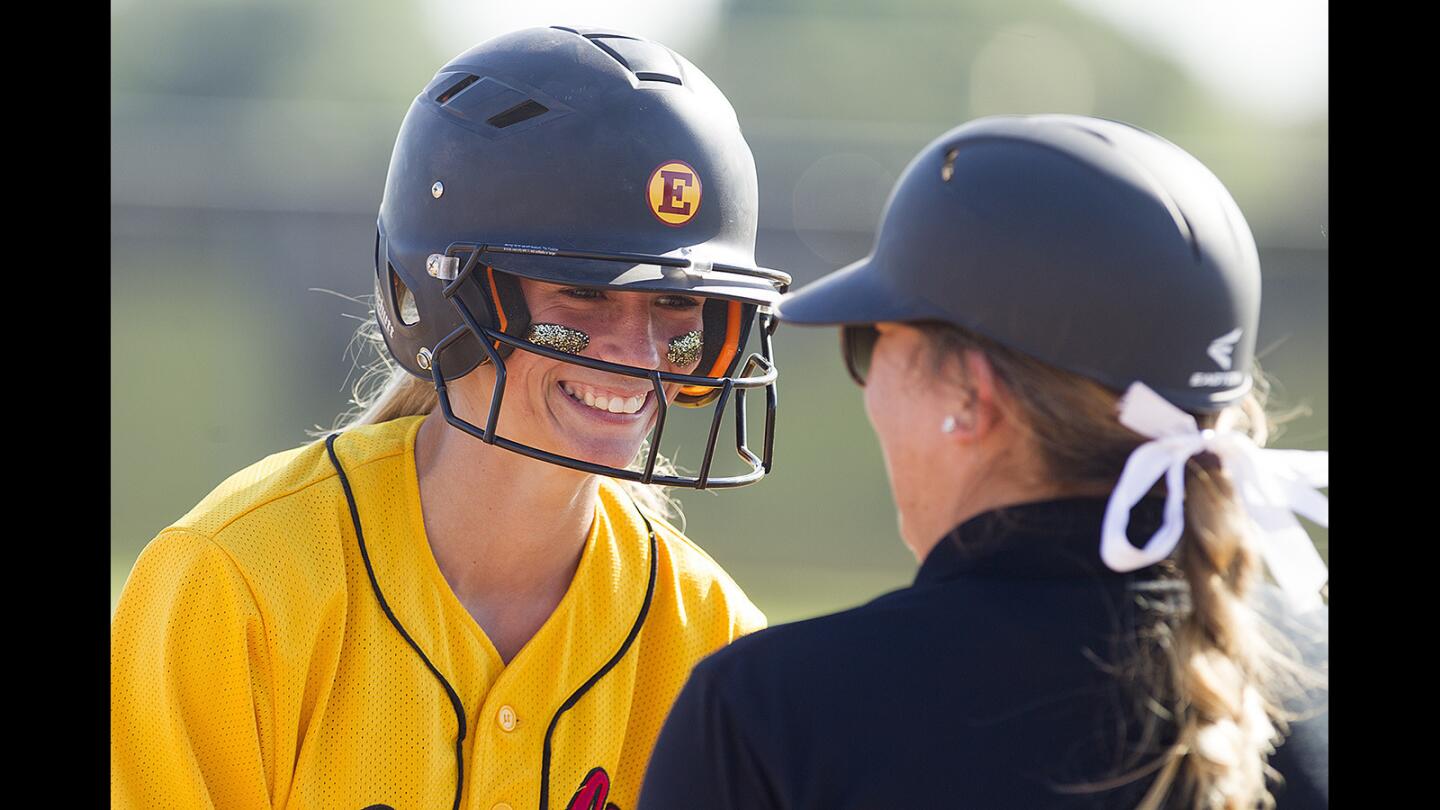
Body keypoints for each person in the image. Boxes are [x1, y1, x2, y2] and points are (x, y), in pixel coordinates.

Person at [111, 26, 790, 810]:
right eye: (583, 291)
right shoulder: (238, 587)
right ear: (443, 296)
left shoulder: (708, 639)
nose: (637, 354)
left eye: (676, 303)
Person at [639, 115, 1328, 809]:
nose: (868, 383)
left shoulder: (773, 710)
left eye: (870, 343)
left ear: (970, 395)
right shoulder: (1309, 676)